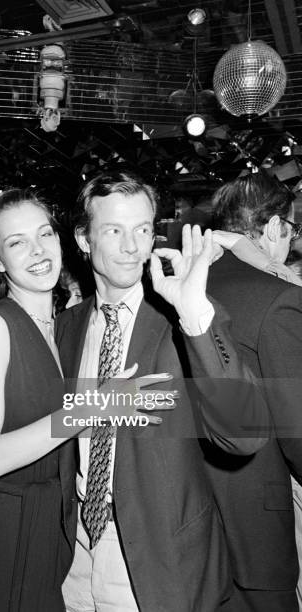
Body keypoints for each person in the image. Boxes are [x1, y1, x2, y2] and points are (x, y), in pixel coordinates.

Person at [56, 169, 271, 612]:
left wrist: (195, 312)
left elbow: (245, 434)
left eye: (142, 230)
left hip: (160, 564)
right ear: (83, 238)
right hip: (71, 555)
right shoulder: (65, 329)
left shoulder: (183, 320)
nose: (132, 247)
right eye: (113, 230)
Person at [0, 188, 164, 611]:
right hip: (9, 530)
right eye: (17, 243)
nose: (38, 251)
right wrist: (92, 408)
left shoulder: (63, 328)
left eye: (44, 234)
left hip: (57, 527)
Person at [207, 169, 302, 612]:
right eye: (292, 230)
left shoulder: (183, 284)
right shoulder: (278, 298)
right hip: (258, 531)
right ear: (274, 228)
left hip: (192, 521)